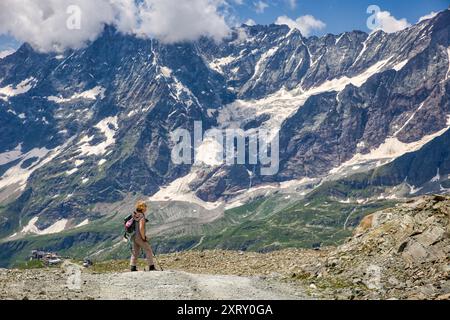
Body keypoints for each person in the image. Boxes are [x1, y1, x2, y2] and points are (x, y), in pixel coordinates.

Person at [130, 201, 156, 272]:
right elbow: (141, 228)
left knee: (135, 251)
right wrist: (144, 237)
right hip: (140, 237)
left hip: (133, 236)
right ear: (141, 208)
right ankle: (151, 266)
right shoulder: (142, 216)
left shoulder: (135, 215)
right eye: (145, 206)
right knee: (148, 250)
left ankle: (133, 267)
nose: (146, 207)